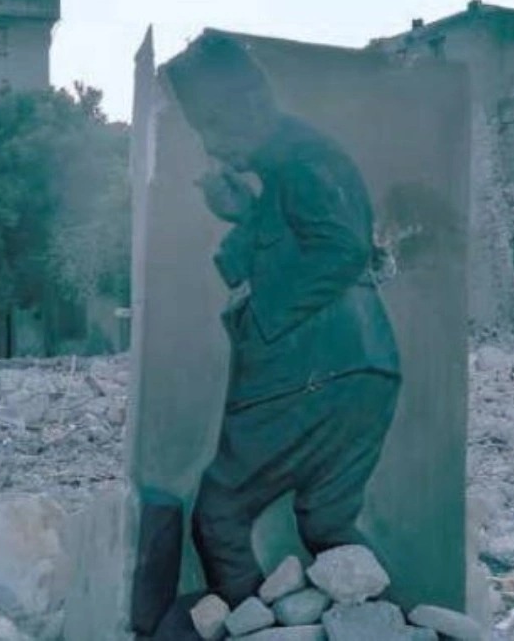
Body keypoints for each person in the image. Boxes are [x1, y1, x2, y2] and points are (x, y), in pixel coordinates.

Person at [161, 31, 402, 609]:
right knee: (326, 520)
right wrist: (242, 213)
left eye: (211, 125)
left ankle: (244, 620)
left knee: (220, 511)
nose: (211, 145)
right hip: (364, 368)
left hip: (315, 368)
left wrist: (259, 314)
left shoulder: (302, 162)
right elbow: (280, 248)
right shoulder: (290, 169)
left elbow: (342, 249)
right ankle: (378, 621)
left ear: (248, 103)